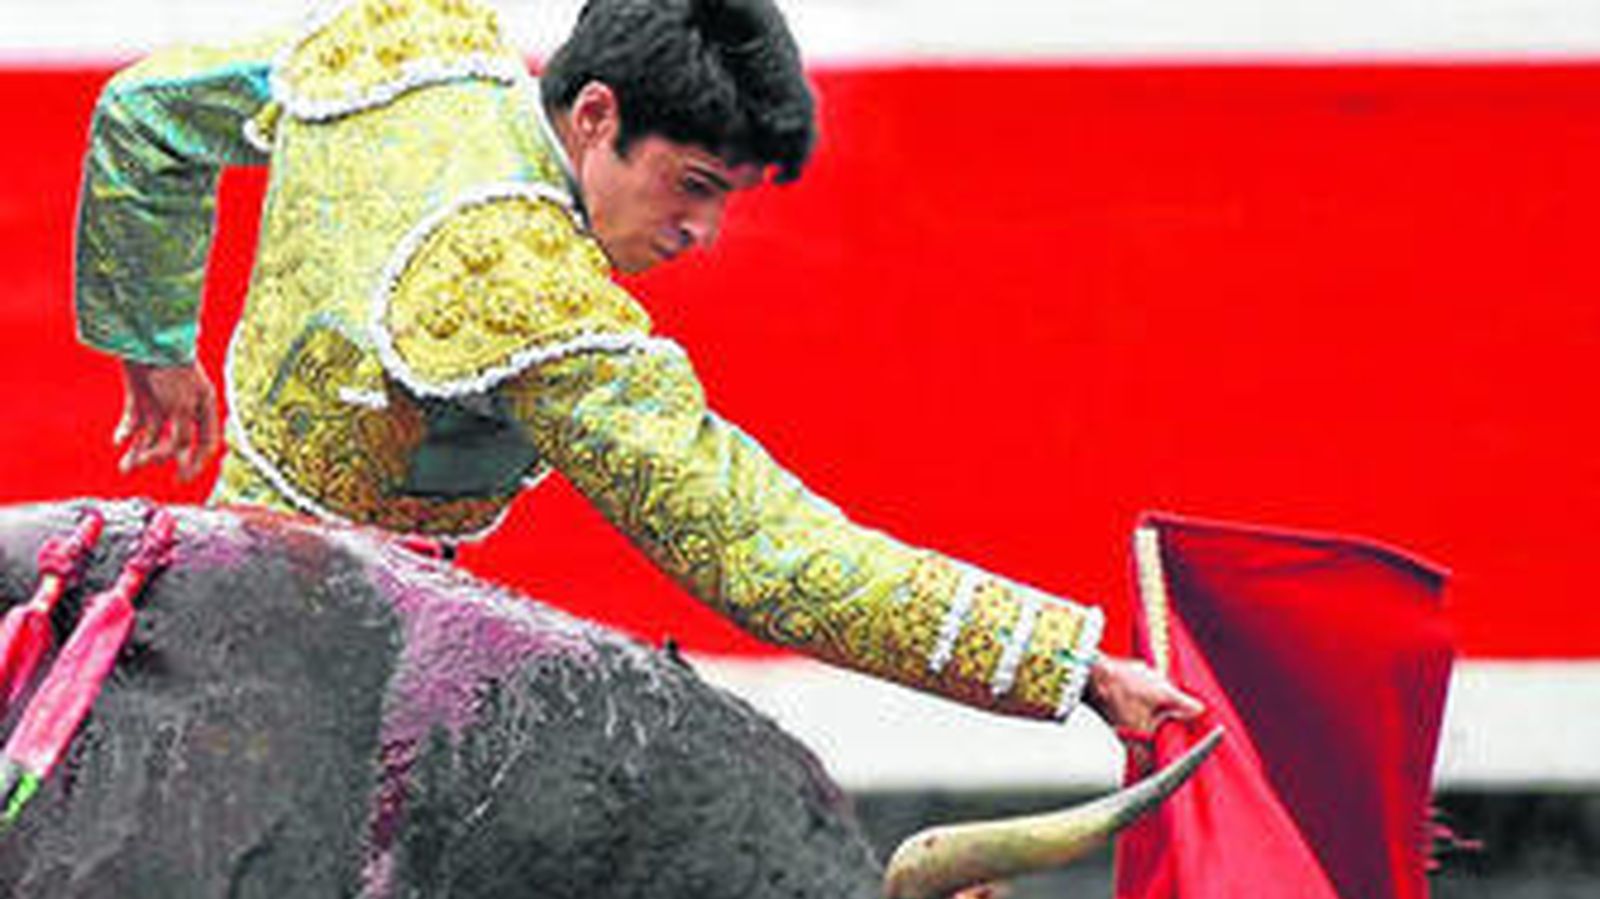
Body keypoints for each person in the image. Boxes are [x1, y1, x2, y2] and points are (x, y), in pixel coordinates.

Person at [76, 0, 1200, 737]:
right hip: (334, 676)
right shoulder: (519, 281)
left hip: (213, 571)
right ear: (596, 115)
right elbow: (760, 552)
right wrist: (1070, 663)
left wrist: (154, 345)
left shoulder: (410, 53)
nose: (702, 233)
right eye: (693, 185)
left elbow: (144, 119)